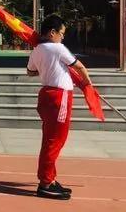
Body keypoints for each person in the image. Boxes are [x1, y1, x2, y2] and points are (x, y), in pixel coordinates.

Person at [27, 14, 91, 200]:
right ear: (52, 32)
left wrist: (49, 67)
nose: (63, 37)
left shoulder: (37, 49)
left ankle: (50, 179)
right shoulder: (58, 48)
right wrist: (88, 85)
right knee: (55, 140)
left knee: (50, 138)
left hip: (46, 94)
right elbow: (79, 67)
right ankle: (45, 182)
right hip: (59, 96)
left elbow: (30, 72)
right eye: (61, 33)